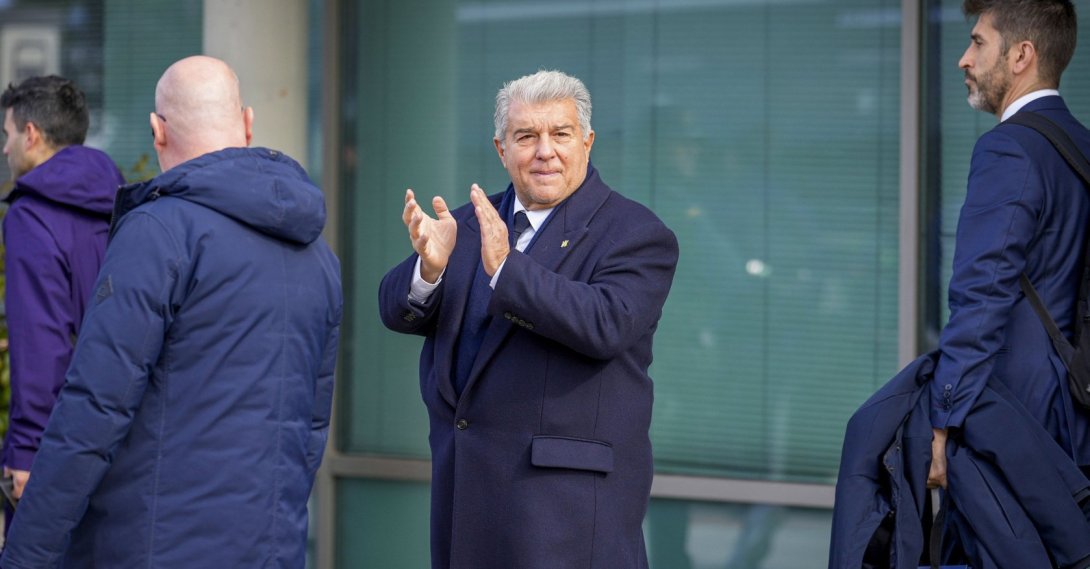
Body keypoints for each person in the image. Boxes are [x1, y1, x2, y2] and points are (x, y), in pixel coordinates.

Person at [0, 56, 342, 567]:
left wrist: (25, 554)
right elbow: (312, 426)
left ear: (158, 131)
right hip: (270, 546)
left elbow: (94, 408)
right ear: (247, 123)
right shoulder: (319, 255)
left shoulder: (157, 233)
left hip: (153, 545)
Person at [379, 69, 680, 569]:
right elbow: (394, 308)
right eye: (526, 136)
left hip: (565, 516)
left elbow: (605, 324)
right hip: (466, 499)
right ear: (502, 149)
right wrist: (428, 270)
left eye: (560, 134)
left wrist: (505, 269)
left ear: (587, 142)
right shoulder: (471, 223)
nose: (545, 151)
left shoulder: (636, 233)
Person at [928, 0, 1090, 489]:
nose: (964, 58)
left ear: (1021, 55)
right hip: (1077, 418)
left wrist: (942, 420)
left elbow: (981, 294)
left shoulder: (1009, 148)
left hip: (1018, 425)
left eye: (978, 42)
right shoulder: (1080, 145)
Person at [0, 75, 124, 520]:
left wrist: (27, 451)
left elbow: (42, 339)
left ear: (31, 134)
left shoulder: (31, 216)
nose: (5, 148)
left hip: (60, 447)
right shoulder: (124, 204)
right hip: (122, 440)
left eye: (7, 134)